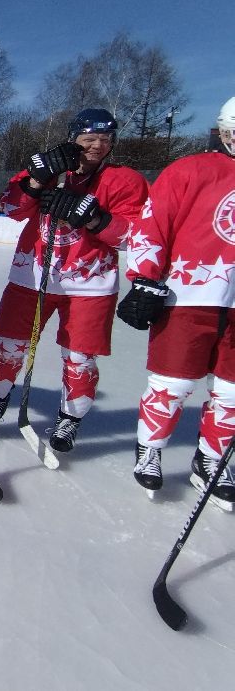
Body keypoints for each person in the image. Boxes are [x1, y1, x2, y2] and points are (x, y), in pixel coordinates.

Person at [0, 108, 149, 454]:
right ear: (74, 138)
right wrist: (38, 180)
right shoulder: (50, 167)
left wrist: (95, 218)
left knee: (81, 357)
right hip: (33, 275)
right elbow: (11, 208)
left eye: (105, 138)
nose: (97, 145)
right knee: (11, 345)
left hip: (91, 283)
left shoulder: (125, 180)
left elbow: (133, 236)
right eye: (89, 138)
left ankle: (70, 418)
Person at [116, 97, 235, 508]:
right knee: (173, 384)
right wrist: (146, 278)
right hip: (188, 296)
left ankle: (212, 459)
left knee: (232, 392)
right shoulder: (189, 169)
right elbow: (153, 224)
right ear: (223, 131)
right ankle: (150, 448)